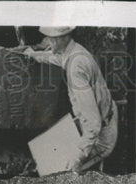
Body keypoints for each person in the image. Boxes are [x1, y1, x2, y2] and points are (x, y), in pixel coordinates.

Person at [19, 26, 118, 172]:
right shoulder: (74, 51)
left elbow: (93, 123)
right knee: (44, 150)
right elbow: (57, 58)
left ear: (61, 39)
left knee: (57, 172)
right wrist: (33, 54)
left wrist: (78, 157)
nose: (47, 42)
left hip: (101, 137)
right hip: (103, 118)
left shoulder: (76, 69)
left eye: (50, 38)